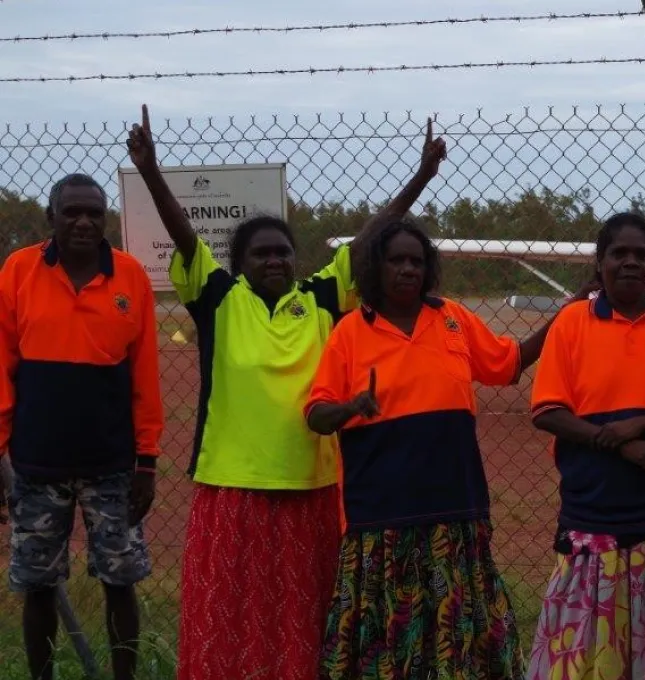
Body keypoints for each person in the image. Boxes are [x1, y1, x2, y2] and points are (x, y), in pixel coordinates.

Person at [125, 103, 446, 680]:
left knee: (302, 614)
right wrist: (150, 171)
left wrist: (422, 175)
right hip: (230, 485)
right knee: (226, 614)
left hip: (309, 483)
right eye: (260, 252)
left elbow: (374, 236)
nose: (274, 259)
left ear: (295, 258)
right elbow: (183, 232)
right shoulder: (219, 298)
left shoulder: (322, 298)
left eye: (282, 251)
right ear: (239, 261)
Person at [304, 217, 595, 679]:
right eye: (396, 260)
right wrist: (350, 406)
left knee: (456, 638)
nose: (407, 270)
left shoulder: (454, 318)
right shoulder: (350, 334)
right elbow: (315, 416)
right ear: (374, 268)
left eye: (416, 261)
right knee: (390, 641)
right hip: (381, 518)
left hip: (454, 512)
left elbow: (511, 363)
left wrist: (577, 300)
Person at [525, 212, 645, 679]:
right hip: (594, 519)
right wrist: (619, 445)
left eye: (641, 254)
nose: (630, 262)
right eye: (619, 254)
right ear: (601, 262)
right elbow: (547, 411)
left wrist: (638, 426)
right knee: (579, 654)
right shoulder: (572, 324)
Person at [0, 172, 164, 680]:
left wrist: (147, 461)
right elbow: (2, 366)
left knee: (121, 582)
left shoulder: (130, 275)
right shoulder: (18, 271)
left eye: (94, 211)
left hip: (112, 467)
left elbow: (145, 374)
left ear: (106, 219)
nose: (84, 221)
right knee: (38, 586)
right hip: (35, 466)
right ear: (51, 219)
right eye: (71, 211)